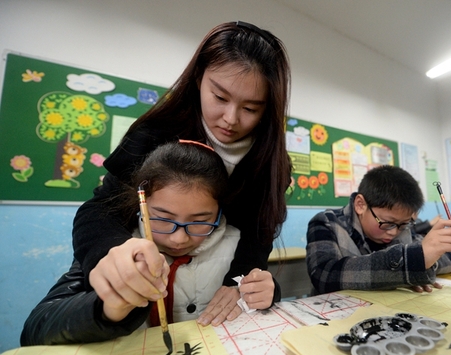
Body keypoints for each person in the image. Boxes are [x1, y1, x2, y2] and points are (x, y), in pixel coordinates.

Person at [70, 21, 292, 327]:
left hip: (211, 303)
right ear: (199, 78)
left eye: (251, 109)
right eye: (220, 97)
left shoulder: (270, 162)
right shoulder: (154, 133)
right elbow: (99, 210)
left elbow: (259, 232)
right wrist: (109, 253)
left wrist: (240, 280)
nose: (230, 119)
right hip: (145, 301)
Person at [21, 140, 271, 345]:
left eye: (200, 221)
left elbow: (255, 300)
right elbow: (35, 331)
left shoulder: (239, 247)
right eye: (163, 219)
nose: (179, 238)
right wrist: (106, 309)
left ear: (219, 212)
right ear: (141, 205)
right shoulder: (117, 248)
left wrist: (267, 292)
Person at [306, 165, 451, 295]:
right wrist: (411, 264)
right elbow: (324, 275)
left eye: (403, 224)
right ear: (361, 205)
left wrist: (422, 264)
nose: (394, 232)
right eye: (388, 223)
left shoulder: (403, 225)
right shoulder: (327, 223)